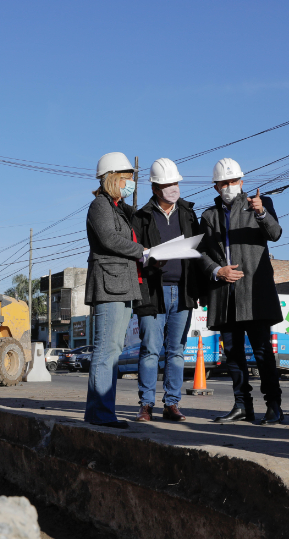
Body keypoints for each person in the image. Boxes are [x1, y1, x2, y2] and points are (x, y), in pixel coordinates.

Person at [198, 158, 285, 425]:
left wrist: (260, 213)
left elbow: (275, 233)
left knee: (262, 352)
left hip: (254, 292)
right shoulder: (209, 216)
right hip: (225, 294)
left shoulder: (260, 204)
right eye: (224, 183)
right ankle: (241, 405)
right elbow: (200, 253)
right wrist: (217, 270)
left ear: (242, 182)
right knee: (233, 354)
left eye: (233, 181)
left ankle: (274, 405)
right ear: (215, 187)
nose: (229, 187)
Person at [132, 158, 200, 422]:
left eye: (175, 183)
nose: (173, 188)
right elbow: (134, 253)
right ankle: (146, 405)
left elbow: (197, 250)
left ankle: (172, 404)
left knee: (176, 351)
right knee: (150, 350)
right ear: (155, 188)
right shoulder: (142, 217)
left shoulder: (187, 213)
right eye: (167, 184)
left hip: (182, 293)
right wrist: (148, 259)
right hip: (152, 293)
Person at [83, 152, 145, 429]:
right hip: (109, 285)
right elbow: (108, 239)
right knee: (105, 350)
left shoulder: (118, 207)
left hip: (122, 285)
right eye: (127, 178)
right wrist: (143, 251)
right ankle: (100, 413)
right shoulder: (100, 206)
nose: (130, 183)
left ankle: (103, 411)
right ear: (113, 178)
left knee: (114, 349)